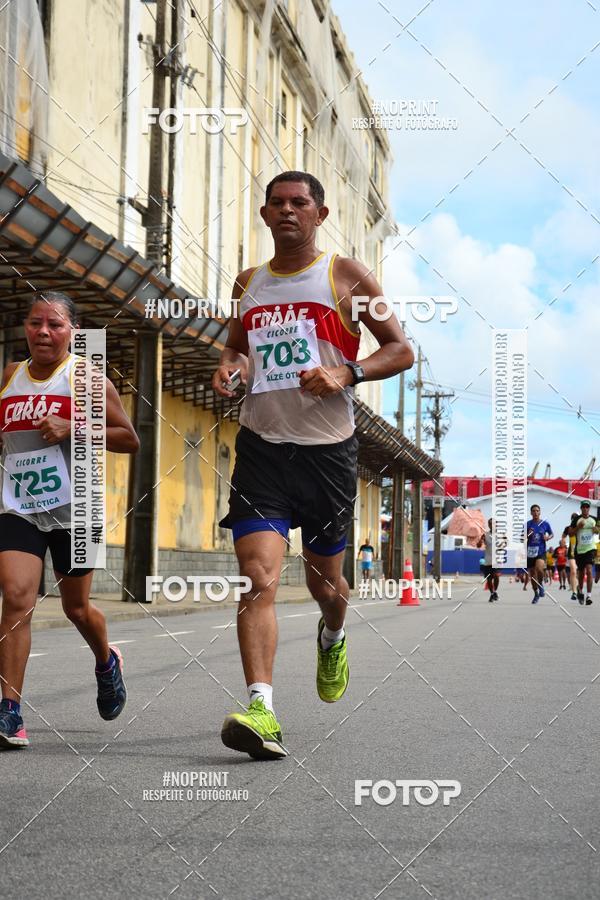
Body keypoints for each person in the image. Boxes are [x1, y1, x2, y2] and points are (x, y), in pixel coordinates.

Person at [212, 171, 414, 760]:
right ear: (265, 214)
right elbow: (236, 349)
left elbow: (400, 349)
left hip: (329, 454)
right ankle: (261, 708)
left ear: (320, 214)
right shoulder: (247, 283)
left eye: (299, 203)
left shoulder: (347, 276)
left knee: (326, 584)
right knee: (259, 578)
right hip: (263, 450)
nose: (287, 211)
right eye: (276, 204)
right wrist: (229, 372)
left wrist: (346, 373)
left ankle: (333, 635)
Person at [0, 293, 139, 748]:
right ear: (25, 327)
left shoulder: (86, 379)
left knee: (76, 608)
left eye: (55, 324)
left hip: (77, 507)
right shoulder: (10, 377)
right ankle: (10, 712)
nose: (44, 331)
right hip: (18, 504)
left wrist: (73, 426)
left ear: (73, 332)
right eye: (36, 322)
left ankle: (106, 660)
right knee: (17, 598)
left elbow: (128, 438)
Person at [571, 500, 598, 605]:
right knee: (581, 573)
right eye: (583, 507)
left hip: (591, 548)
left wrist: (597, 530)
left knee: (590, 570)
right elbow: (570, 533)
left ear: (589, 508)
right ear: (581, 508)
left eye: (587, 507)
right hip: (580, 550)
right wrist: (578, 527)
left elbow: (598, 530)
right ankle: (580, 591)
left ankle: (589, 596)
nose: (585, 509)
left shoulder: (594, 519)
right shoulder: (577, 519)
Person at [525, 504, 553, 604]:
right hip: (530, 552)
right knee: (532, 574)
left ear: (540, 512)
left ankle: (540, 585)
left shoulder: (545, 524)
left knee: (539, 569)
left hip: (541, 551)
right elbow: (521, 538)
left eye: (537, 511)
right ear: (531, 513)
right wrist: (528, 534)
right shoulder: (527, 524)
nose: (535, 512)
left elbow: (551, 534)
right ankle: (536, 593)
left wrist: (547, 538)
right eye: (534, 511)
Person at [476, 518, 500, 601]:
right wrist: (481, 540)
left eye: (493, 523)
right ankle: (492, 593)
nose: (492, 525)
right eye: (490, 524)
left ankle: (495, 591)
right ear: (489, 525)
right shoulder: (485, 535)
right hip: (488, 559)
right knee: (489, 579)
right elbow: (478, 546)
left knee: (496, 576)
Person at [562, 513, 579, 601]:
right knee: (573, 571)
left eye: (576, 518)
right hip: (571, 552)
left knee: (580, 573)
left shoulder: (581, 528)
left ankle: (578, 588)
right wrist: (564, 543)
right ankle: (574, 592)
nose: (574, 520)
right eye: (573, 519)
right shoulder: (568, 528)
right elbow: (563, 536)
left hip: (582, 552)